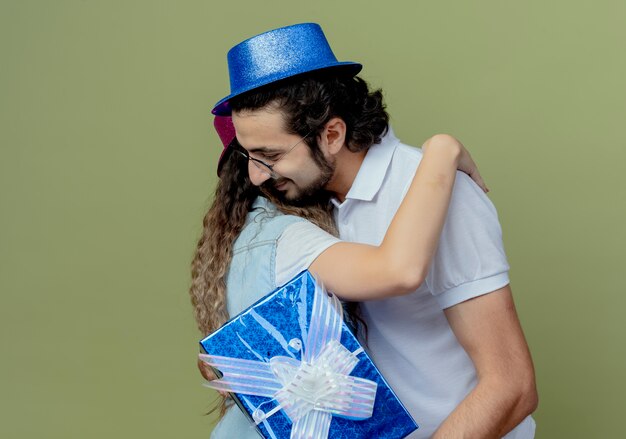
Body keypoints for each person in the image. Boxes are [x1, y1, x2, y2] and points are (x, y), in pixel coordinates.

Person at [205, 23, 538, 439]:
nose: (255, 176)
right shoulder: (312, 209)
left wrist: (442, 148)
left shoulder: (438, 195)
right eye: (248, 155)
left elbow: (511, 386)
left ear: (331, 135)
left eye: (269, 155)